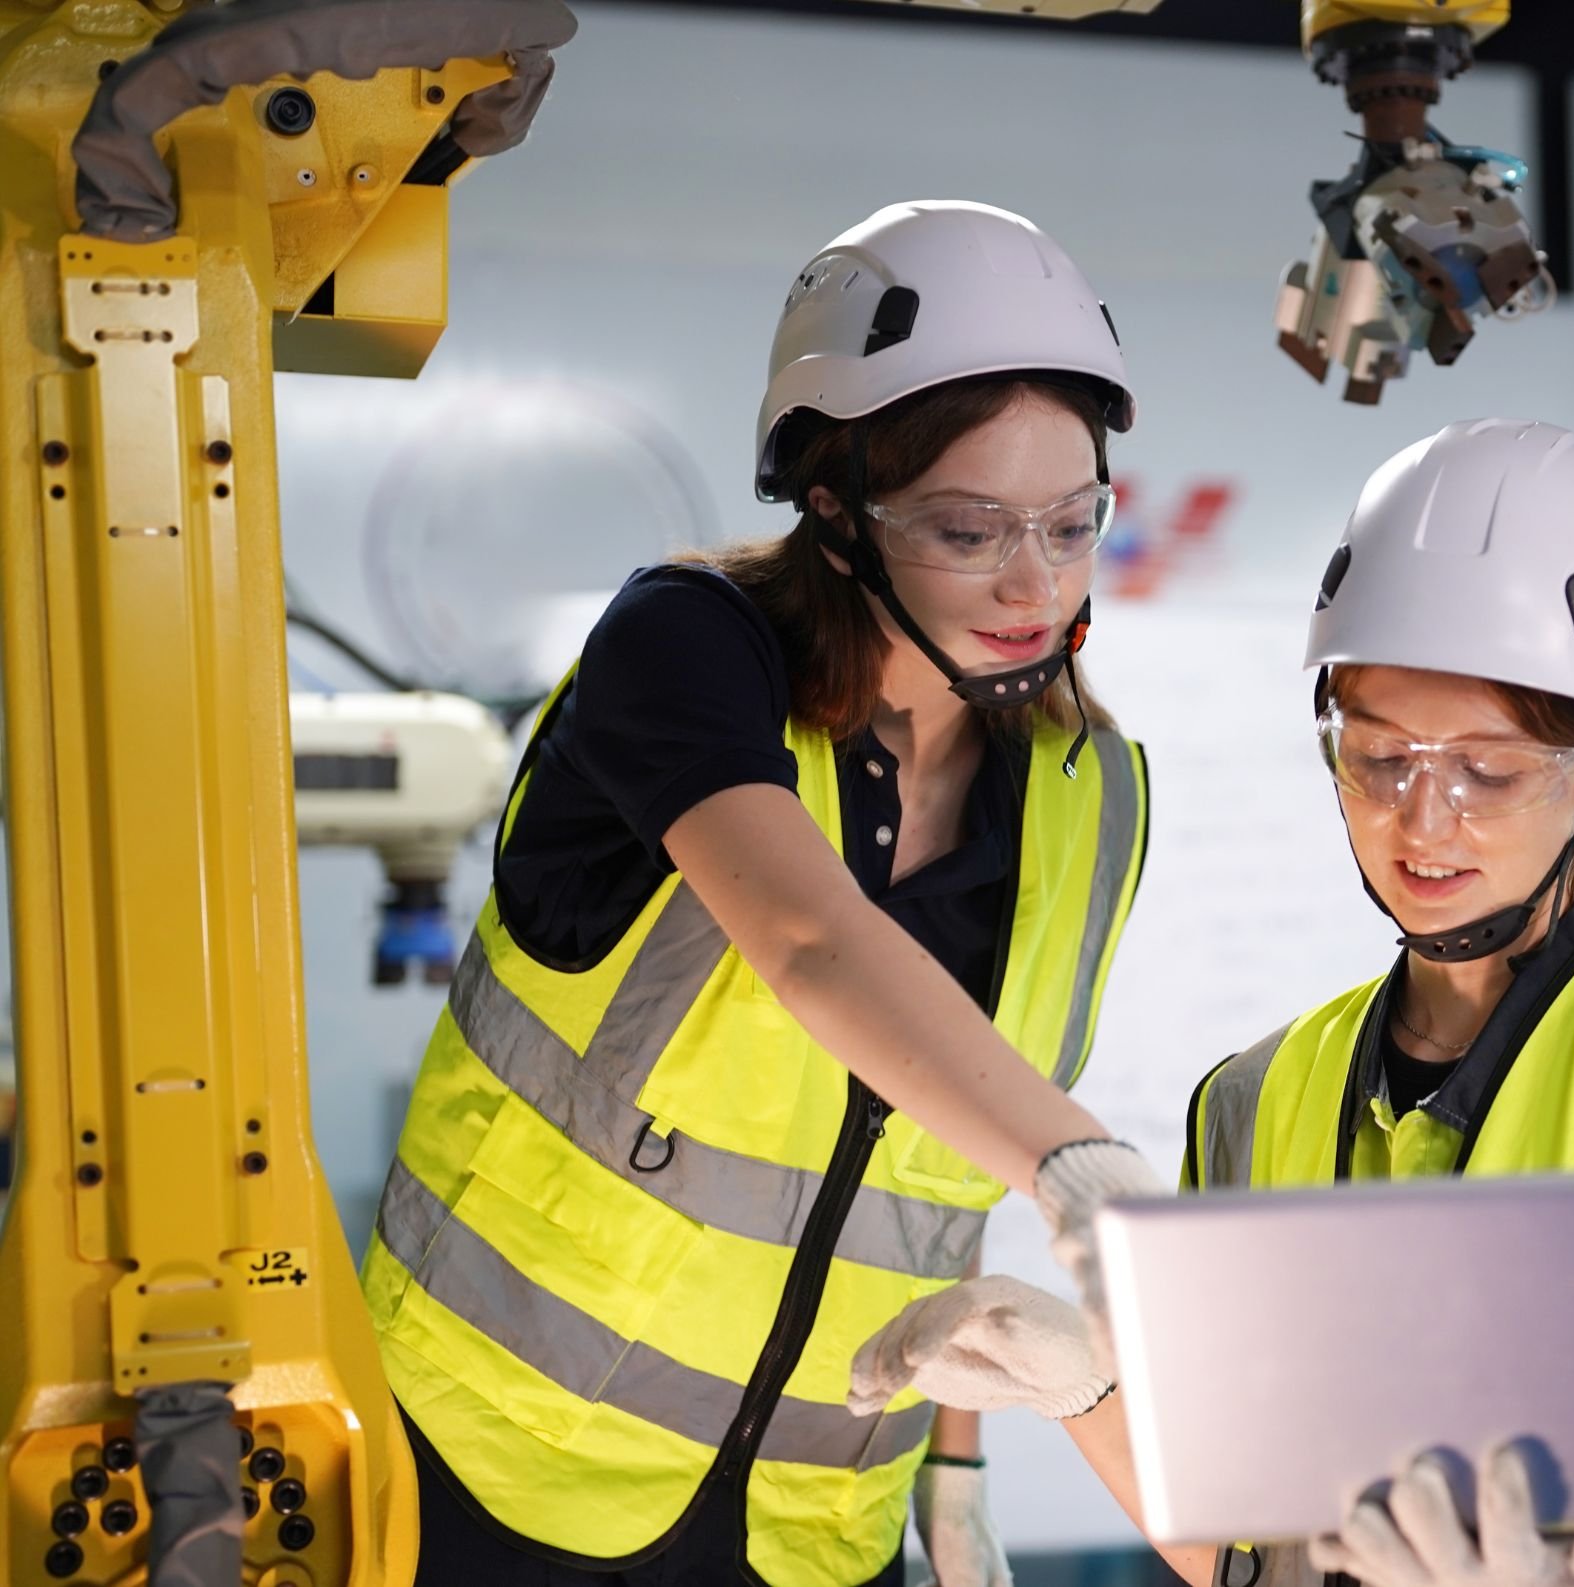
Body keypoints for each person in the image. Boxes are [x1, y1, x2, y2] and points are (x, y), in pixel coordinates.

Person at [852, 420, 1574, 1587]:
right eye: (1379, 759)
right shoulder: (1252, 1099)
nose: (1422, 822)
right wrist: (1089, 1394)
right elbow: (1241, 1552)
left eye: (1486, 772)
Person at [360, 200, 1171, 1587]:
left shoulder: (1092, 789)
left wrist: (957, 1471)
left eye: (1071, 519)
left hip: (812, 1521)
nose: (1034, 580)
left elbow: (947, 1146)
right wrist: (1079, 1163)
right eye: (970, 528)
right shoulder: (687, 648)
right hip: (495, 1459)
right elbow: (807, 939)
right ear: (835, 510)